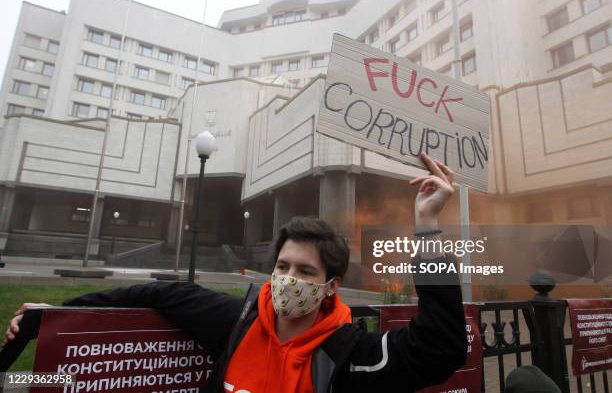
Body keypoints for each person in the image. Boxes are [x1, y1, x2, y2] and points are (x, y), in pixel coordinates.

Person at [2, 152, 467, 393]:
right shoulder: (237, 322)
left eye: (305, 271)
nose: (288, 279)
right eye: (282, 266)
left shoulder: (352, 356)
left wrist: (426, 228)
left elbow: (439, 348)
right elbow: (153, 295)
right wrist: (56, 313)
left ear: (330, 287)